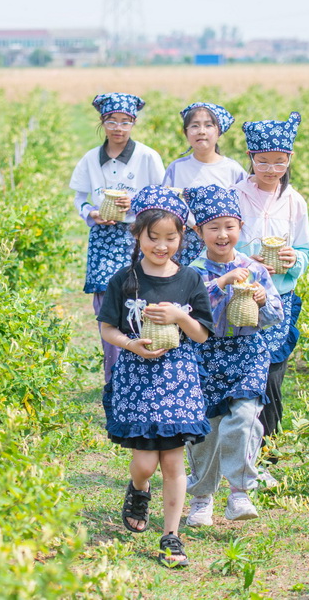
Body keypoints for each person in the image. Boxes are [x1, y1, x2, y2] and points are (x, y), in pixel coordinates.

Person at [97, 185, 213, 568]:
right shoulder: (125, 279)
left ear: (182, 237)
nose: (162, 246)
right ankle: (138, 488)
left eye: (171, 237)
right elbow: (108, 328)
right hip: (137, 376)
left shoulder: (190, 280)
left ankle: (172, 536)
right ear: (138, 235)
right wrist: (130, 345)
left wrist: (181, 317)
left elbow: (202, 334)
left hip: (177, 378)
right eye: (154, 237)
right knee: (146, 463)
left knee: (174, 463)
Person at [183, 184, 283, 525]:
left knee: (243, 418)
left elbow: (275, 315)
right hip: (205, 355)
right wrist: (221, 283)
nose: (222, 234)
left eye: (229, 226)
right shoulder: (193, 272)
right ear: (199, 232)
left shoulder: (255, 270)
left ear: (240, 228)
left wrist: (260, 301)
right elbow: (189, 313)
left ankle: (240, 492)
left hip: (247, 353)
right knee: (205, 429)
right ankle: (202, 497)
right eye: (213, 227)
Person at [232, 113, 309, 478]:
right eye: (263, 160)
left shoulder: (295, 201)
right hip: (243, 297)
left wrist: (293, 258)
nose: (271, 168)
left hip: (280, 299)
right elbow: (221, 239)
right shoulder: (236, 195)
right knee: (242, 377)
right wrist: (243, 256)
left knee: (273, 376)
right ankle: (238, 457)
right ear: (250, 157)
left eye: (279, 160)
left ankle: (268, 457)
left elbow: (306, 250)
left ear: (290, 158)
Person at [69, 92, 164, 382]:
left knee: (139, 299)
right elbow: (80, 197)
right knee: (106, 304)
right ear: (103, 122)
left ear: (133, 123)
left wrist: (133, 203)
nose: (119, 128)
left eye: (126, 122)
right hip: (102, 237)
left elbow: (160, 196)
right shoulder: (90, 159)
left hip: (136, 236)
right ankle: (114, 376)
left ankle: (144, 370)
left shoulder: (146, 156)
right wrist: (91, 213)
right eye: (112, 121)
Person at [163, 102, 246, 266]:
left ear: (218, 131)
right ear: (186, 133)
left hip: (221, 246)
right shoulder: (176, 168)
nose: (201, 131)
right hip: (184, 246)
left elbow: (243, 211)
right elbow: (165, 208)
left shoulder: (233, 170)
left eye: (208, 125)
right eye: (194, 126)